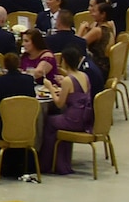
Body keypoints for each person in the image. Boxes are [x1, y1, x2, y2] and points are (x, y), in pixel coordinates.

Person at [38, 45, 95, 175]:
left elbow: (59, 104)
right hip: (86, 117)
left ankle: (46, 163)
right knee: (55, 119)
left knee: (49, 121)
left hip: (73, 119)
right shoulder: (84, 76)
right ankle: (60, 161)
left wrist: (50, 88)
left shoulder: (68, 81)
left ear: (65, 61)